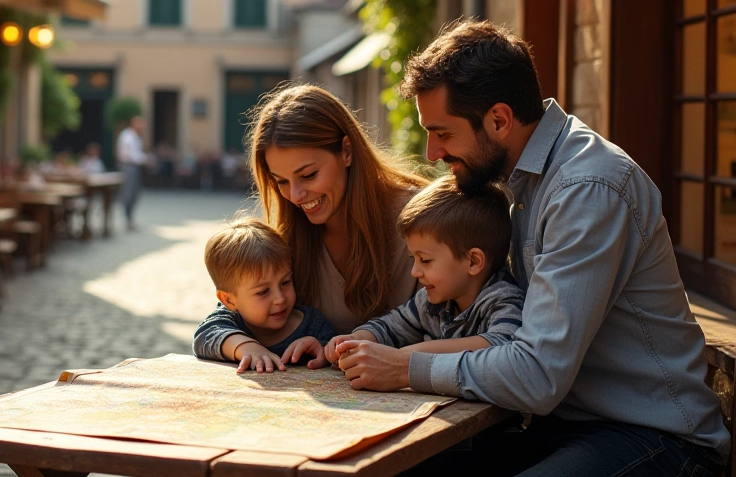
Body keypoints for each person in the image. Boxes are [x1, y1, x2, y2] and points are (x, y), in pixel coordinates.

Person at [332, 20, 726, 477]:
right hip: (560, 428)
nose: (432, 152)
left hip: (657, 438)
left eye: (443, 133)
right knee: (394, 476)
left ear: (499, 119)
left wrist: (404, 367)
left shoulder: (586, 188)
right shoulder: (520, 181)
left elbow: (537, 373)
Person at [192, 84, 427, 370]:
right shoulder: (290, 232)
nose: (295, 196)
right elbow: (227, 316)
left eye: (308, 175)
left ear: (347, 152)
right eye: (281, 181)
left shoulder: (419, 218)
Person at [324, 175, 524, 364]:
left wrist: (405, 357)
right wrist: (355, 340)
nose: (415, 272)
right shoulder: (429, 302)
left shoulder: (504, 299)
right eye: (414, 259)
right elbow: (390, 326)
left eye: (425, 260)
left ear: (473, 261)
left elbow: (503, 345)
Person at [193, 218, 336, 372]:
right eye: (263, 291)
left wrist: (322, 351)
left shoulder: (313, 324)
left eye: (285, 282)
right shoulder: (229, 320)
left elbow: (338, 355)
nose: (280, 299)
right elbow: (204, 337)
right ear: (229, 300)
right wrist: (247, 348)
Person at [115, 115, 147, 230]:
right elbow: (130, 155)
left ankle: (130, 219)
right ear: (134, 124)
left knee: (134, 194)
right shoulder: (127, 136)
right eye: (140, 123)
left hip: (134, 167)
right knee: (128, 193)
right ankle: (127, 219)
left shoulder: (135, 137)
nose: (142, 126)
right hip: (128, 167)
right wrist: (145, 159)